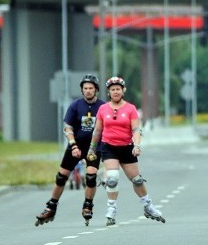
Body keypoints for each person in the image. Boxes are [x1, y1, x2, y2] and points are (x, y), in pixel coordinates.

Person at [87, 76, 164, 226]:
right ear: (109, 92)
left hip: (127, 147)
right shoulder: (103, 109)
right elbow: (97, 131)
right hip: (109, 147)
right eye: (112, 90)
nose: (115, 92)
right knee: (112, 178)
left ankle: (148, 206)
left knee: (137, 180)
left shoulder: (130, 108)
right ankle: (111, 210)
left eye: (118, 89)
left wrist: (137, 145)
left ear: (123, 91)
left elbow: (136, 129)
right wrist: (92, 148)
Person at [35, 74, 106, 227]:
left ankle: (88, 205)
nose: (88, 91)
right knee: (61, 177)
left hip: (94, 147)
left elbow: (108, 129)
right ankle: (51, 207)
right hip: (76, 145)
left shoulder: (103, 106)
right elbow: (67, 128)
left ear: (96, 90)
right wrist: (73, 146)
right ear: (82, 90)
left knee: (91, 177)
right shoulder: (75, 105)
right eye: (85, 88)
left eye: (91, 88)